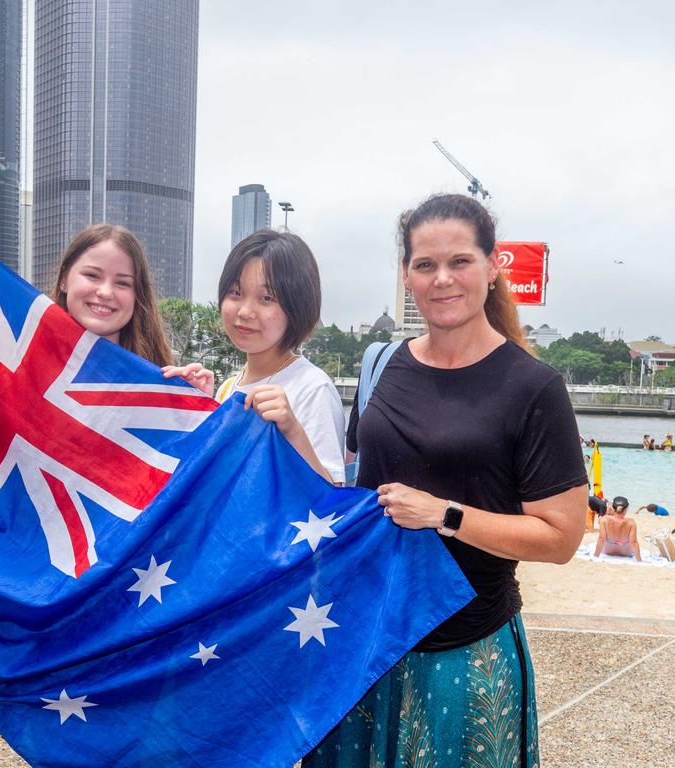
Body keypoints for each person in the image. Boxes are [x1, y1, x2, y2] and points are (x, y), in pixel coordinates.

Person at [304, 194, 586, 768]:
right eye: (426, 265)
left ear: (493, 265)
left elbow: (560, 539)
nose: (443, 279)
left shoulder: (533, 388)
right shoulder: (380, 363)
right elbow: (354, 497)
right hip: (366, 638)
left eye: (460, 261)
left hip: (464, 647)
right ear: (406, 274)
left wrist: (446, 514)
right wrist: (286, 429)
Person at [209, 230, 346, 484]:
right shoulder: (228, 387)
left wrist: (292, 430)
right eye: (236, 293)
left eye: (266, 298)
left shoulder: (312, 388)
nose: (246, 311)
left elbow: (333, 498)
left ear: (297, 306)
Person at [51, 223, 174, 368]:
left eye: (122, 283)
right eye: (92, 275)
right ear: (64, 279)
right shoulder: (21, 360)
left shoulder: (156, 383)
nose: (106, 292)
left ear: (138, 294)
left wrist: (193, 389)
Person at [594, 496, 641, 560]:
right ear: (626, 509)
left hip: (608, 552)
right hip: (625, 553)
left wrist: (595, 556)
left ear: (613, 508)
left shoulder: (604, 519)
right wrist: (639, 560)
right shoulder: (631, 523)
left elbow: (601, 539)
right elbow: (634, 542)